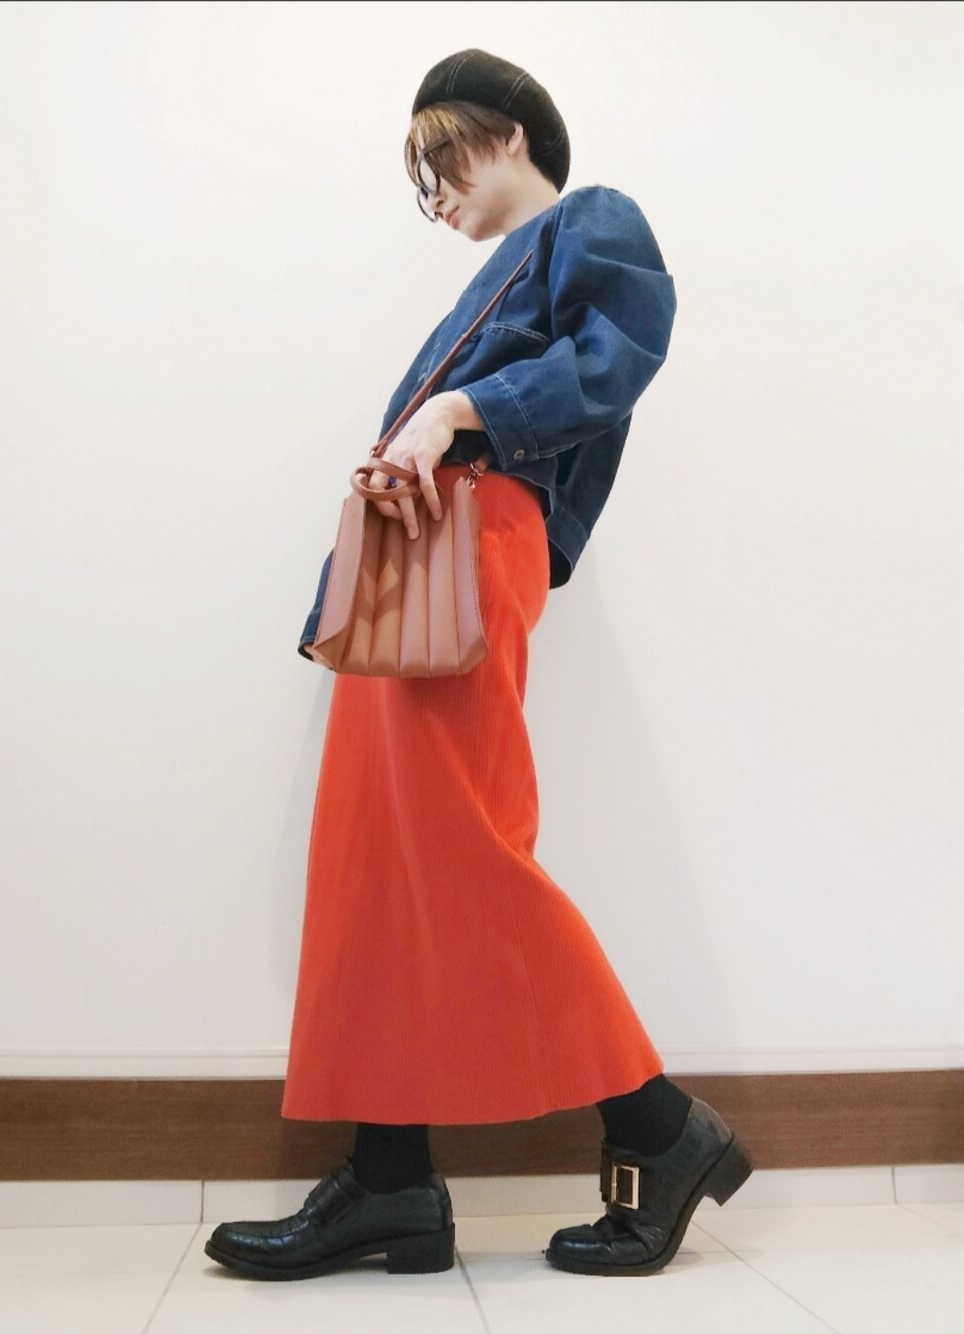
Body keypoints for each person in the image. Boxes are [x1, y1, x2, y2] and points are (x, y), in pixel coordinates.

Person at [205, 48, 752, 1283]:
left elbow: (622, 350)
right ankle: (389, 1175)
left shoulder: (589, 218)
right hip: (411, 574)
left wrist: (454, 413)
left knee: (458, 846)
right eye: (422, 177)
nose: (436, 191)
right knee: (371, 861)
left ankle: (660, 1126)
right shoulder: (493, 280)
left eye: (440, 157)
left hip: (470, 548)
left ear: (505, 131)